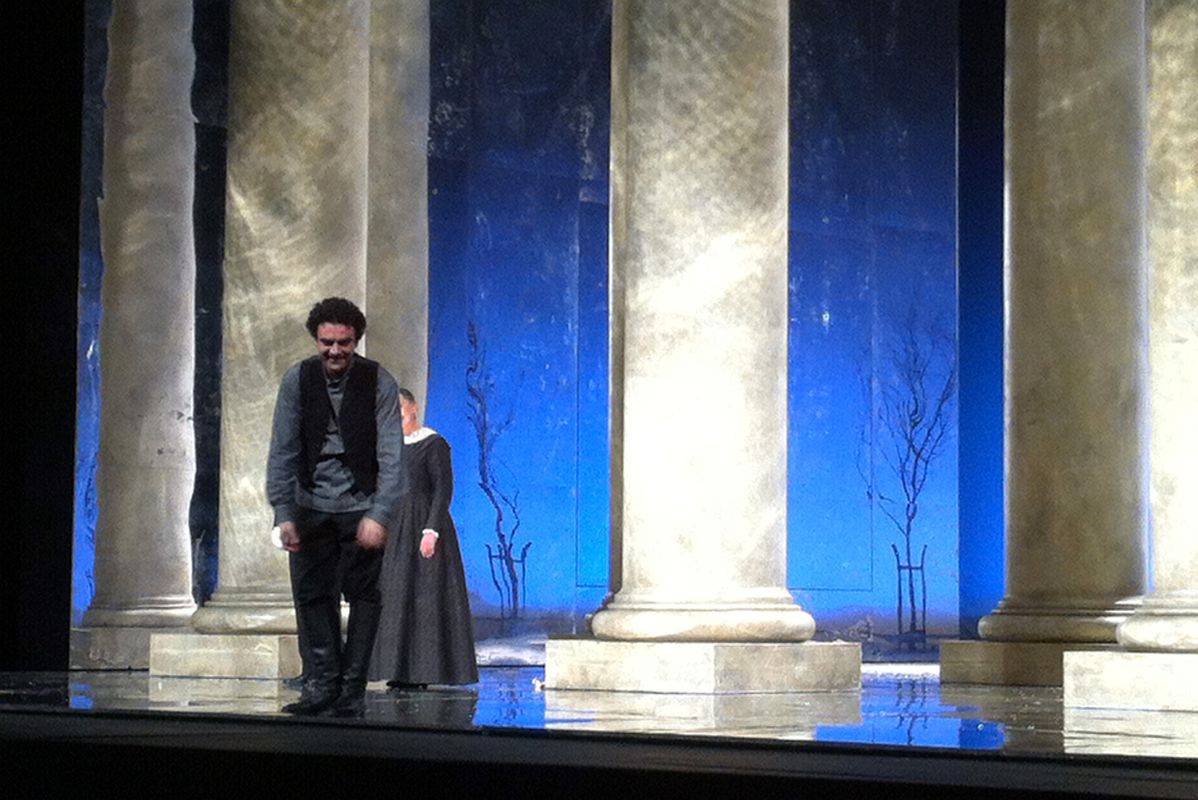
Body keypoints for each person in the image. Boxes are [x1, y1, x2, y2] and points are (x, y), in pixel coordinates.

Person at [266, 297, 405, 716]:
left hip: (360, 504)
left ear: (356, 340)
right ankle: (321, 686)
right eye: (327, 342)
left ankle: (351, 690)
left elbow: (393, 455)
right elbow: (282, 450)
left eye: (344, 342)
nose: (335, 351)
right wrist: (283, 512)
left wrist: (379, 514)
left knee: (364, 597)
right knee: (311, 597)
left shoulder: (378, 381)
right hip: (310, 504)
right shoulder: (298, 379)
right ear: (316, 339)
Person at [370, 388, 479, 688]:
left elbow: (443, 489)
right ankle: (399, 670)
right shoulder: (390, 447)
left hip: (424, 525)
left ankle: (423, 672)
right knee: (397, 596)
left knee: (425, 598)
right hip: (398, 527)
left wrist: (431, 530)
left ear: (413, 408)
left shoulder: (434, 443)